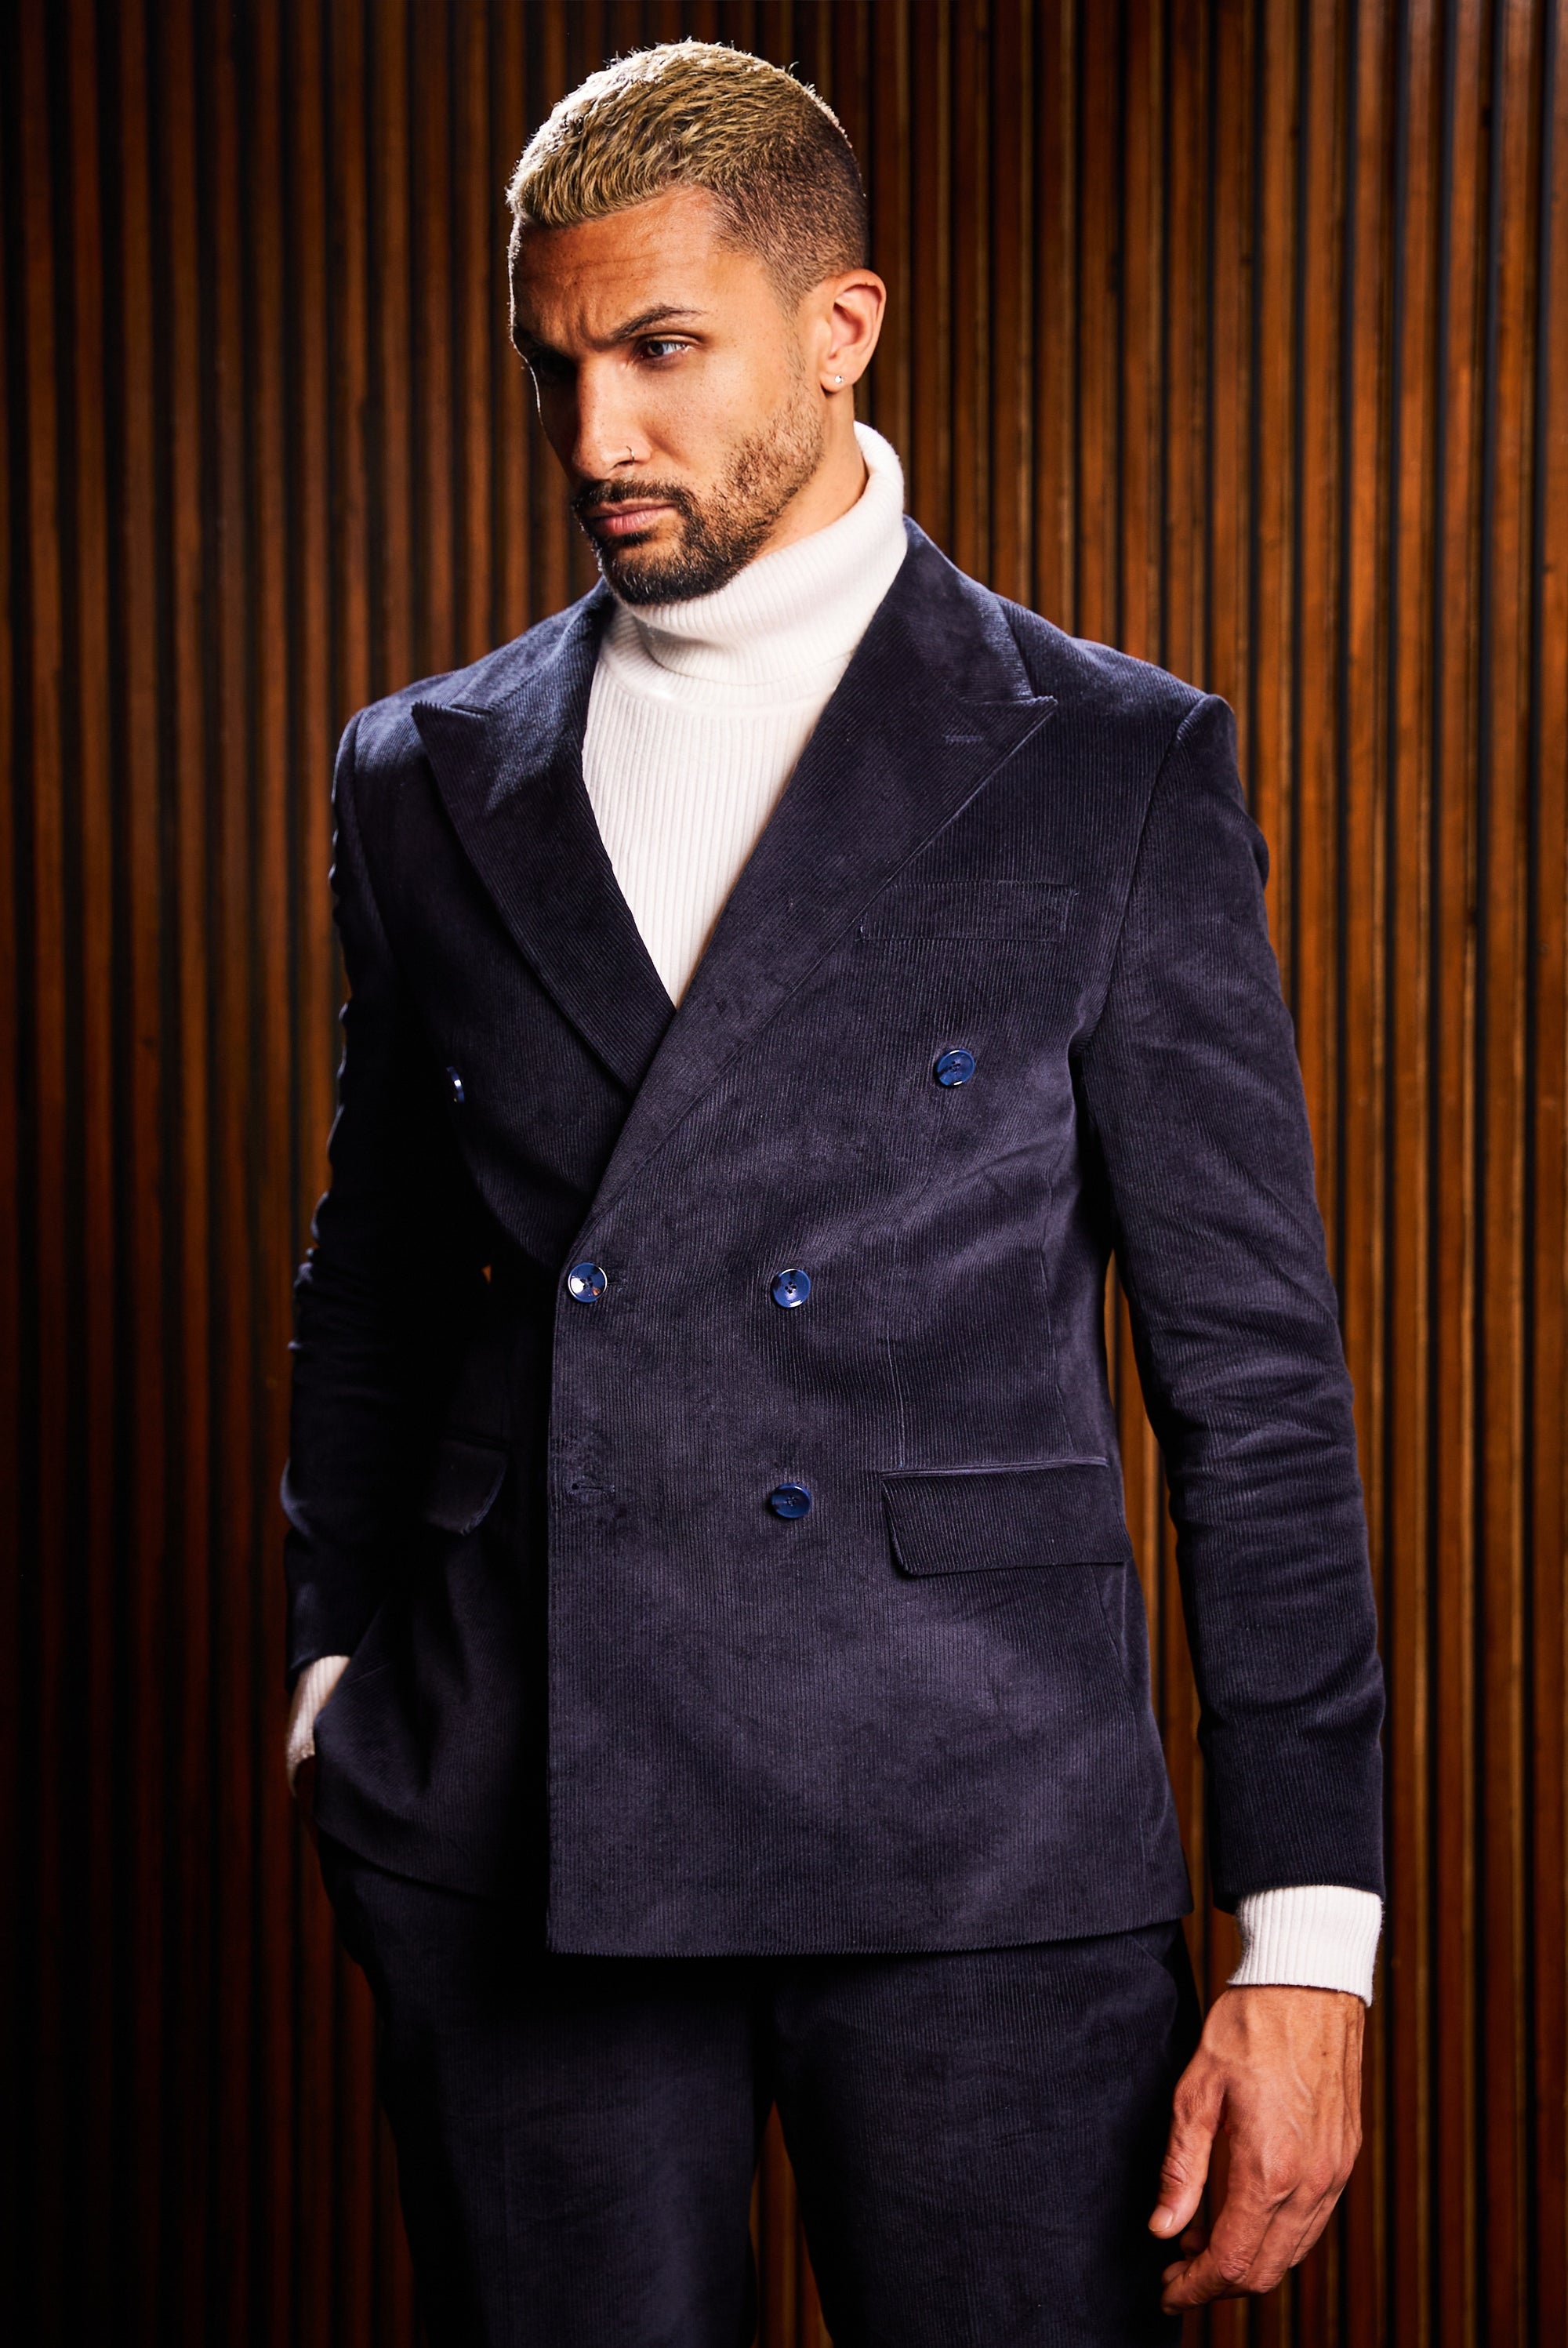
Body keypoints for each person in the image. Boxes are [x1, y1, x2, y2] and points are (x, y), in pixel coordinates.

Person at [281, 40, 1385, 2348]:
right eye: (557, 364)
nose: (596, 434)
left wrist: (1308, 1934)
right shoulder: (424, 771)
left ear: (839, 327)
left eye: (661, 351)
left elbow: (1258, 1387)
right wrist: (336, 1685)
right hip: (520, 1824)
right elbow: (373, 1289)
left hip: (983, 1848)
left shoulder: (1110, 765)